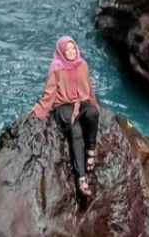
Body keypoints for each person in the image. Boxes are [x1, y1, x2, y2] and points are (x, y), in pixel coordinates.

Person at [32, 35, 100, 198]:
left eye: (73, 48)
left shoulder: (82, 64)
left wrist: (94, 103)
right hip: (63, 106)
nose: (71, 52)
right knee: (75, 131)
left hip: (80, 102)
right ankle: (81, 178)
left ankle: (91, 151)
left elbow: (89, 88)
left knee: (93, 112)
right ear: (61, 52)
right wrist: (40, 109)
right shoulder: (56, 67)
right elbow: (49, 92)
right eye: (67, 50)